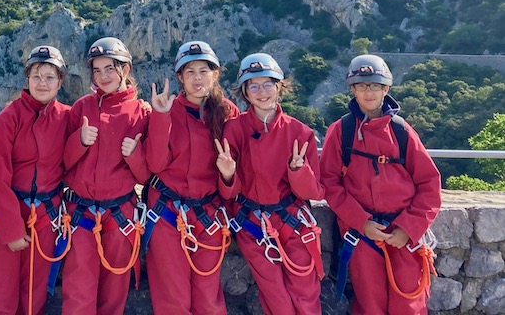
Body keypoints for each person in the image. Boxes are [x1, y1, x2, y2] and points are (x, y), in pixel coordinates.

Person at [319, 54, 441, 315]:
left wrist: (408, 228)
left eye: (375, 85)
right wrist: (362, 222)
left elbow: (429, 183)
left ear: (386, 88)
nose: (369, 91)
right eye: (362, 85)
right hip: (362, 234)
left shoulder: (402, 131)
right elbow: (330, 183)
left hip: (403, 233)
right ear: (352, 89)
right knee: (369, 303)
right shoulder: (341, 131)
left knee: (408, 303)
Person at [217, 53, 323, 315]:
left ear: (279, 87)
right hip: (252, 223)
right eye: (253, 85)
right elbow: (228, 193)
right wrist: (228, 174)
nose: (261, 91)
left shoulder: (300, 132)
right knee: (275, 297)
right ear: (244, 92)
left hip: (292, 221)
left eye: (267, 84)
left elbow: (314, 191)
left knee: (306, 294)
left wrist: (298, 171)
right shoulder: (234, 129)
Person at [146, 41, 239, 315]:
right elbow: (154, 163)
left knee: (209, 297)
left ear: (215, 74)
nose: (197, 78)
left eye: (203, 71)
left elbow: (237, 168)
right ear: (180, 78)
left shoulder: (227, 112)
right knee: (172, 297)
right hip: (167, 211)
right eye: (189, 72)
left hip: (208, 211)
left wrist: (229, 175)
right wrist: (161, 118)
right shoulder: (167, 109)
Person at [0, 46, 73, 315]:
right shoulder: (6, 121)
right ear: (27, 79)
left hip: (45, 218)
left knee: (34, 299)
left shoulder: (68, 117)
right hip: (5, 217)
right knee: (0, 299)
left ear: (61, 81)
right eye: (36, 76)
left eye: (50, 77)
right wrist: (11, 229)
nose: (42, 83)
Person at [61, 36, 150, 315]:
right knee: (78, 292)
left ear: (125, 70)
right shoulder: (82, 108)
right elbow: (62, 164)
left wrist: (134, 154)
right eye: (97, 70)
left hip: (120, 214)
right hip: (82, 211)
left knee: (114, 293)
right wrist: (79, 141)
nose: (103, 76)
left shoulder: (142, 113)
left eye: (110, 68)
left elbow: (146, 175)